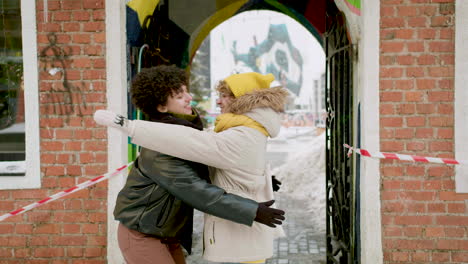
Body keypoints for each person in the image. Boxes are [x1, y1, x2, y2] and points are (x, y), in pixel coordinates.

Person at [94, 71, 289, 263]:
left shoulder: (188, 135)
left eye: (186, 91)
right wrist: (251, 211)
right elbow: (197, 191)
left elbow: (212, 162)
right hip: (142, 234)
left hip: (166, 233)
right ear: (162, 107)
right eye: (180, 96)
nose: (189, 98)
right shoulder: (161, 150)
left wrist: (256, 177)